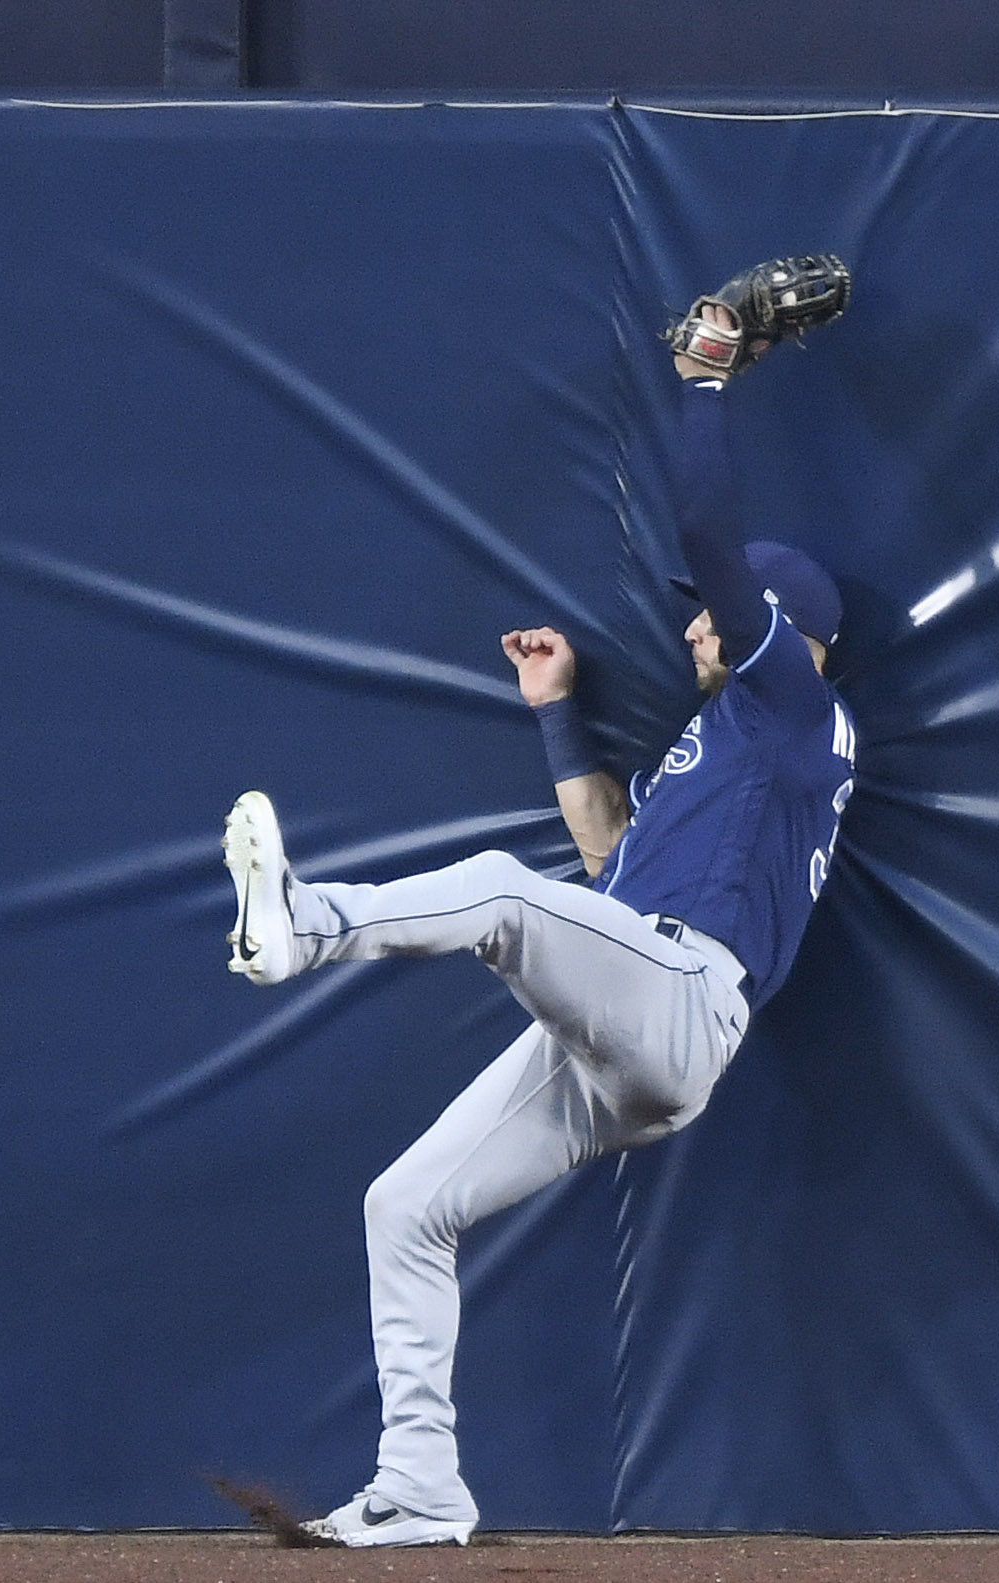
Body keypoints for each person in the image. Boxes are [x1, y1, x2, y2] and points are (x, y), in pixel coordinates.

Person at [218, 262, 856, 1548]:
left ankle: (306, 926)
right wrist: (561, 715)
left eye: (714, 621)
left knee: (503, 895)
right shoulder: (728, 742)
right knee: (406, 1205)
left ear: (780, 623)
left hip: (685, 996)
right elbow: (609, 866)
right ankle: (420, 1482)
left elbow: (705, 531)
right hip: (634, 1025)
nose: (689, 635)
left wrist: (704, 382)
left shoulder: (792, 704)